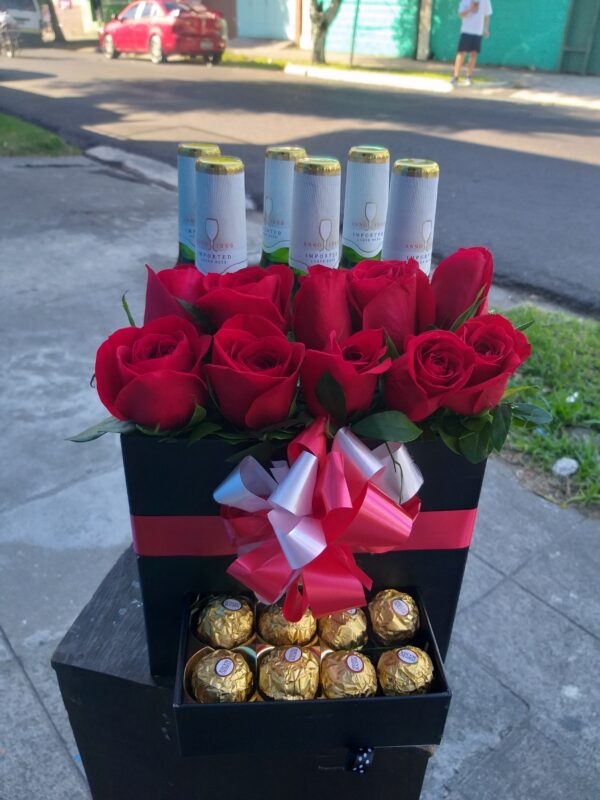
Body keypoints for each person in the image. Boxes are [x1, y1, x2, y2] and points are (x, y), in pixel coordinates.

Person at [451, 0, 492, 87]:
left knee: (473, 54)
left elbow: (487, 15)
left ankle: (468, 77)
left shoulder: (485, 1)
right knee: (461, 53)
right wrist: (470, 9)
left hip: (477, 32)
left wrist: (486, 29)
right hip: (466, 30)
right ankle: (455, 76)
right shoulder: (465, 1)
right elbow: (460, 14)